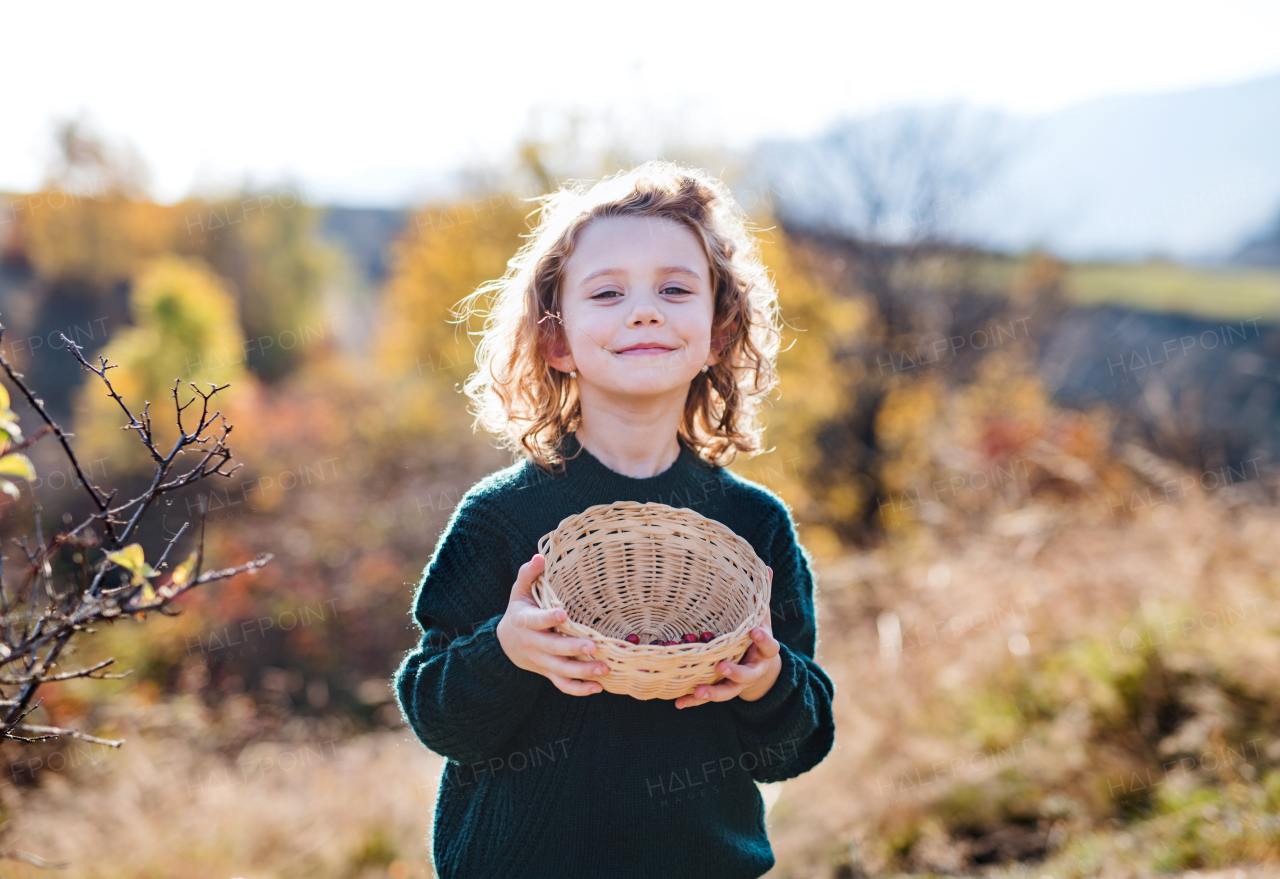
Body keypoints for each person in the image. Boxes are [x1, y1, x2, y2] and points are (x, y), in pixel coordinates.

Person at [393, 159, 836, 878]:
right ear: (556, 340)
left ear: (719, 331)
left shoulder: (754, 527)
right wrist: (506, 650)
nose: (645, 309)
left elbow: (796, 748)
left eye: (674, 288)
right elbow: (438, 714)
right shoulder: (502, 519)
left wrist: (766, 682)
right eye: (607, 291)